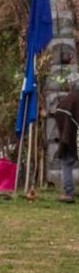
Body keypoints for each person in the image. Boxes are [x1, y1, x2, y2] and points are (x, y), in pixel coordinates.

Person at [55, 74, 79, 203]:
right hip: (73, 134)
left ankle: (69, 193)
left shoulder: (67, 100)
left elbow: (60, 113)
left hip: (71, 136)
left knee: (67, 162)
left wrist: (65, 134)